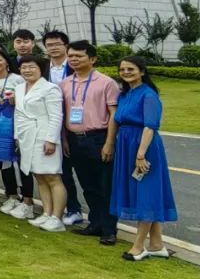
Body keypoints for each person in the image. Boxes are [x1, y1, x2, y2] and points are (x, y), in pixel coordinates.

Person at [112, 57, 178, 261]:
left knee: (147, 193)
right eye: (122, 69)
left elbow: (150, 126)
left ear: (141, 71)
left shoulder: (149, 95)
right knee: (142, 192)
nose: (126, 72)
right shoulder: (125, 94)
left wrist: (141, 154)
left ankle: (139, 246)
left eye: (130, 69)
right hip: (126, 145)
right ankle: (157, 244)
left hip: (144, 146)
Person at [60, 40, 120, 245]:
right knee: (87, 185)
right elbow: (62, 114)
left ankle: (109, 229)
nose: (74, 59)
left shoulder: (106, 83)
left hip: (98, 138)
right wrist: (65, 139)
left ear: (92, 59)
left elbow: (114, 114)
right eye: (71, 56)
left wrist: (109, 143)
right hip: (74, 139)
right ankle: (95, 223)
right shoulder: (65, 83)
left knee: (105, 185)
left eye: (79, 56)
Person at [13, 56, 66, 232]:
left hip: (44, 136)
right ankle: (46, 212)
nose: (27, 70)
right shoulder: (19, 88)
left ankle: (57, 217)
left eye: (31, 67)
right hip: (26, 137)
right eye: (24, 67)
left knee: (52, 177)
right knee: (39, 176)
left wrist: (51, 140)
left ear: (41, 69)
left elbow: (56, 116)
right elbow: (18, 114)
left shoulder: (50, 88)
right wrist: (17, 136)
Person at [0, 50, 35, 219]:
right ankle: (12, 196)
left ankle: (28, 200)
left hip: (16, 126)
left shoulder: (17, 79)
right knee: (4, 163)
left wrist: (16, 99)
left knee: (22, 163)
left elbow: (27, 100)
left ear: (7, 62)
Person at [43, 29, 82, 226]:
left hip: (75, 124)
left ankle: (97, 216)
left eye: (57, 44)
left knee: (83, 170)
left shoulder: (76, 66)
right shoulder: (42, 68)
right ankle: (72, 208)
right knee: (60, 170)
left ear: (65, 45)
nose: (53, 48)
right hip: (51, 125)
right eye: (49, 45)